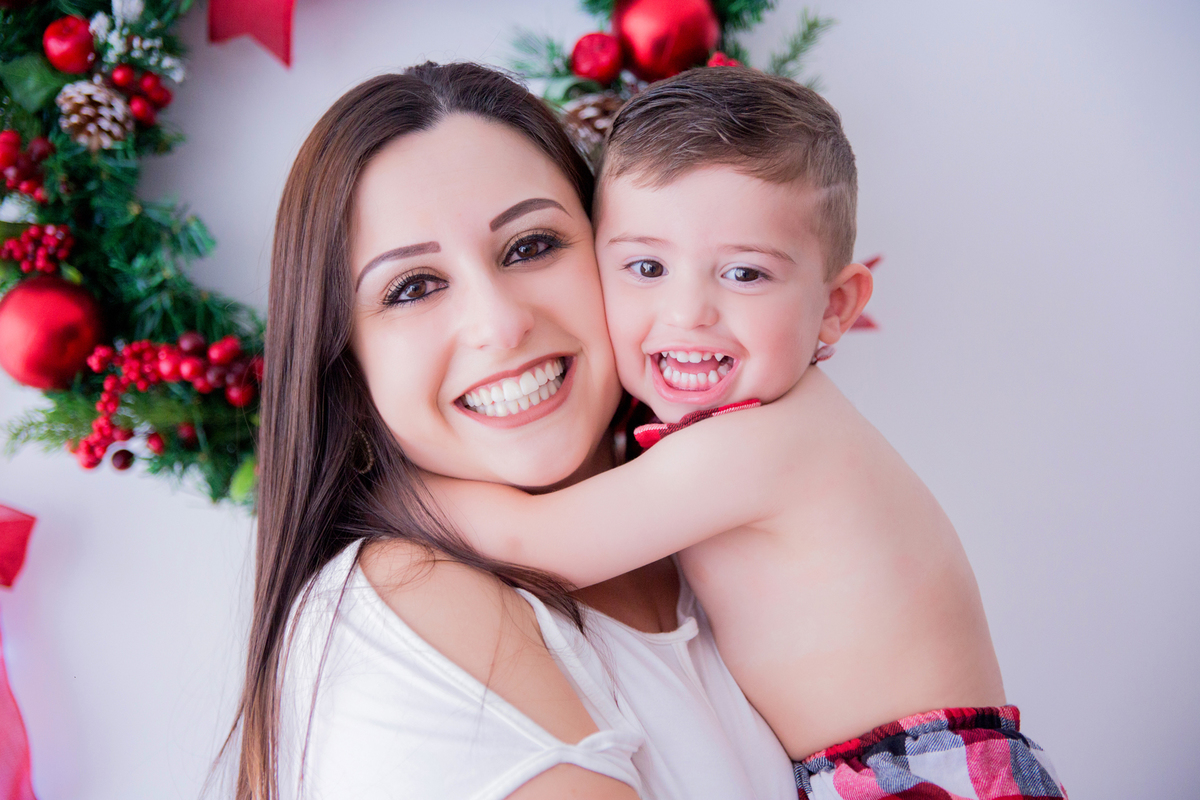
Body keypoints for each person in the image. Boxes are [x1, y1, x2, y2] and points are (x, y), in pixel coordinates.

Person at [427, 68, 1067, 799]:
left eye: (744, 274)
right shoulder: (736, 431)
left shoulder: (765, 445)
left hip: (917, 780)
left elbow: (530, 544)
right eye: (645, 266)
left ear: (835, 306)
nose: (687, 310)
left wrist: (389, 476)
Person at [227, 63, 797, 800]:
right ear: (349, 369)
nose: (499, 323)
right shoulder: (411, 602)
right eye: (414, 288)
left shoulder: (730, 542)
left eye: (531, 246)